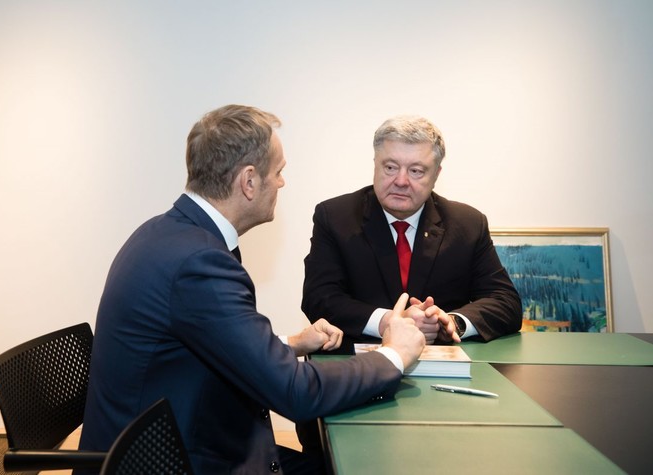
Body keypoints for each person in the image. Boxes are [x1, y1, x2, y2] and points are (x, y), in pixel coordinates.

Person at [77, 105, 425, 475]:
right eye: (278, 172)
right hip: (176, 461)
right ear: (249, 181)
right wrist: (394, 354)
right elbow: (296, 392)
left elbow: (207, 340)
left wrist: (291, 343)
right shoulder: (199, 263)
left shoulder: (169, 233)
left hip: (177, 442)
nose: (282, 183)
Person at [301, 114, 522, 346]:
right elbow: (319, 298)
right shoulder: (335, 217)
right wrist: (387, 322)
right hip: (358, 359)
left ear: (436, 175)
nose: (401, 181)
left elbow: (505, 302)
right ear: (375, 164)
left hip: (442, 359)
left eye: (416, 171)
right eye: (390, 167)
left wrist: (451, 322)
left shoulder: (467, 224)